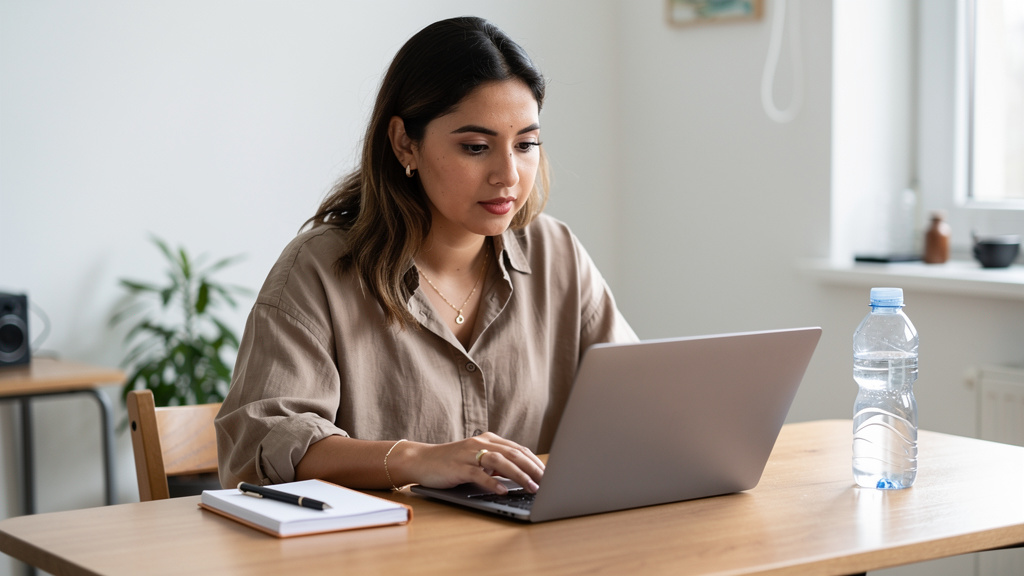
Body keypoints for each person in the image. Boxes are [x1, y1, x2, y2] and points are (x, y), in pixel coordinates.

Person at [215, 16, 636, 497]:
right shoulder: (320, 269)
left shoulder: (555, 253)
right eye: (476, 147)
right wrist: (419, 459)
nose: (508, 175)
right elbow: (261, 448)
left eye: (526, 144)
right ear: (404, 143)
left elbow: (638, 395)